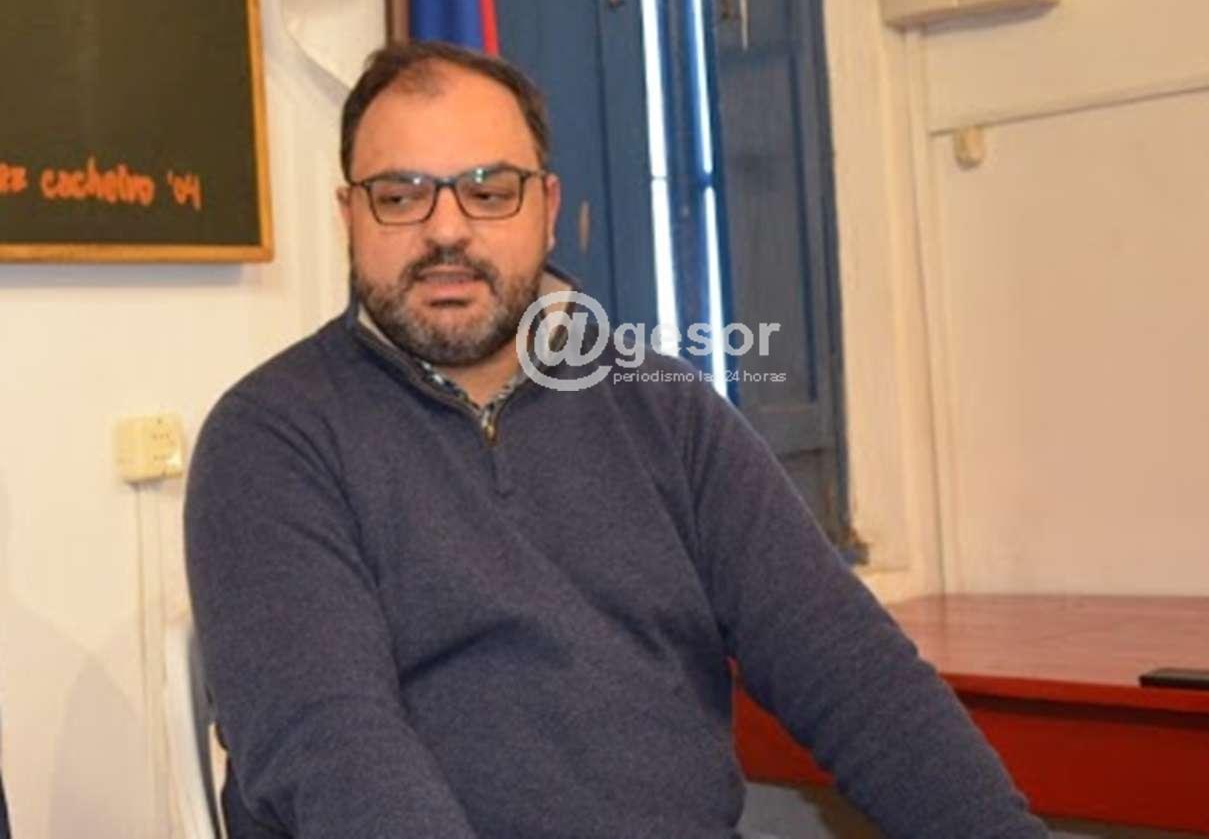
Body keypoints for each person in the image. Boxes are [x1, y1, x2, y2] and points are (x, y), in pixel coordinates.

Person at [185, 40, 1047, 838]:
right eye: (402, 194)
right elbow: (334, 750)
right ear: (349, 215)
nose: (446, 230)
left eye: (490, 189)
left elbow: (854, 672)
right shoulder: (270, 440)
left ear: (548, 208)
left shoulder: (663, 410)